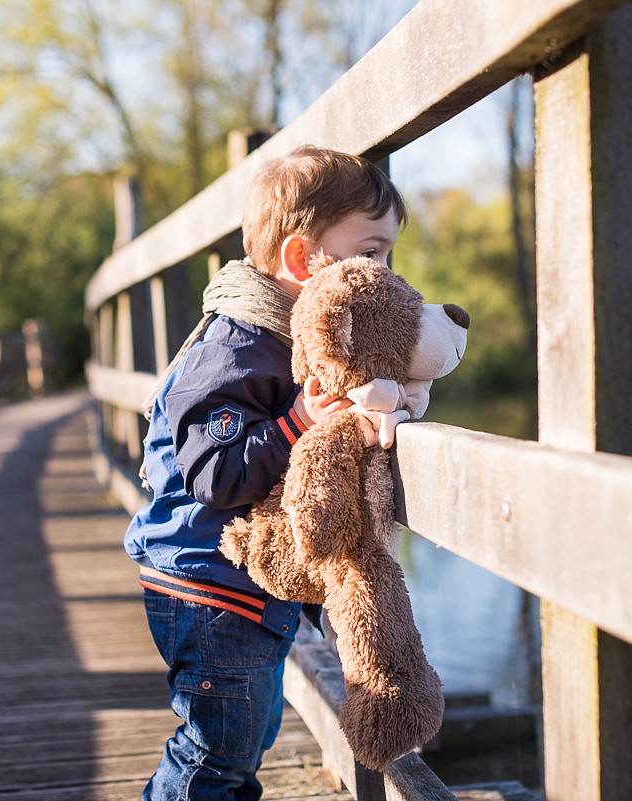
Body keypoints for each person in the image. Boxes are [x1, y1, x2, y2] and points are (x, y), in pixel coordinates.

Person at [124, 144, 407, 801]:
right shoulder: (237, 348)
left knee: (245, 737)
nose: (385, 273)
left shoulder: (288, 337)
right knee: (217, 750)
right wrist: (301, 415)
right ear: (303, 260)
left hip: (244, 590)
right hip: (207, 587)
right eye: (370, 254)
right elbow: (215, 474)